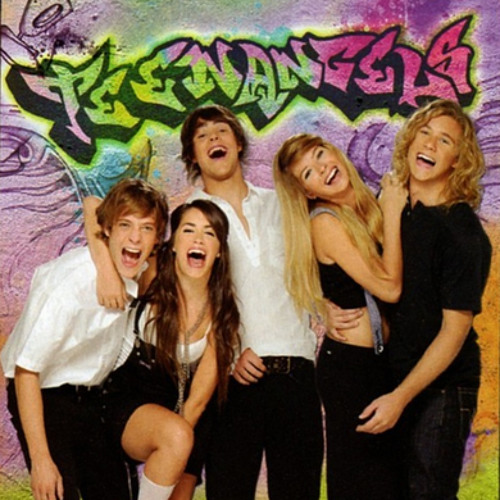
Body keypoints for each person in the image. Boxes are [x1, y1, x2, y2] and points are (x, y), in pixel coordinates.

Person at [179, 105, 324, 500]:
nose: (214, 138)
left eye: (221, 130)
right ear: (192, 155)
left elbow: (320, 262)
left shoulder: (282, 203)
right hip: (234, 382)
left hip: (298, 374)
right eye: (202, 136)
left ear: (238, 143)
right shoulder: (190, 219)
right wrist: (228, 355)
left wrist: (335, 309)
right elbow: (187, 304)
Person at [355, 99, 492, 500]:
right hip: (395, 378)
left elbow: (454, 331)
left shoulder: (462, 234)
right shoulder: (394, 208)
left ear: (458, 160)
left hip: (441, 390)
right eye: (425, 132)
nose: (430, 144)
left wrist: (400, 398)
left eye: (445, 140)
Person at [0, 178, 169, 500]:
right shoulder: (73, 284)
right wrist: (41, 461)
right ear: (106, 231)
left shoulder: (136, 269)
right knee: (56, 489)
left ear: (156, 239)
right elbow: (25, 372)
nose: (135, 237)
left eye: (146, 228)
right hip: (42, 395)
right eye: (125, 225)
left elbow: (93, 203)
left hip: (91, 400)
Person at [273, 133, 408, 499]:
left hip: (385, 366)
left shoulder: (367, 207)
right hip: (351, 371)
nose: (322, 169)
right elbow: (390, 288)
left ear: (334, 151)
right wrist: (392, 212)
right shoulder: (326, 222)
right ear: (308, 192)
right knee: (361, 486)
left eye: (320, 155)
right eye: (308, 173)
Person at [96, 199, 240, 500]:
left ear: (219, 251)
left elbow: (197, 402)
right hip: (129, 401)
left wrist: (178, 448)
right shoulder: (150, 276)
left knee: (182, 439)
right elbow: (92, 207)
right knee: (176, 435)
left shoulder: (223, 315)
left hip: (185, 418)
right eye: (188, 230)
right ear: (173, 244)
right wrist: (106, 272)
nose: (198, 239)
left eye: (209, 233)